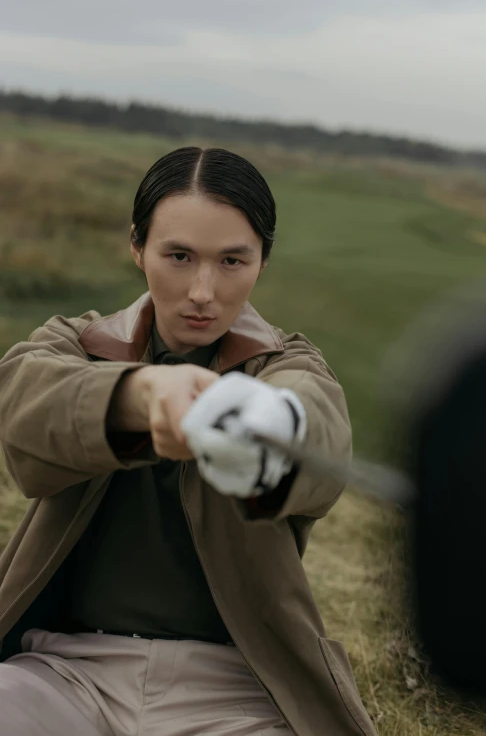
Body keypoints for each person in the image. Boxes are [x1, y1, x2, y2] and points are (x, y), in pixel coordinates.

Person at [0, 147, 377, 736]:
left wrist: (272, 424)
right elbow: (21, 407)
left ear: (262, 262)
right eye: (179, 256)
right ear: (137, 249)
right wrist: (142, 395)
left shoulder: (287, 367)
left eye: (232, 260)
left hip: (237, 690)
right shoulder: (73, 343)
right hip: (62, 673)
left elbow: (316, 427)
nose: (203, 290)